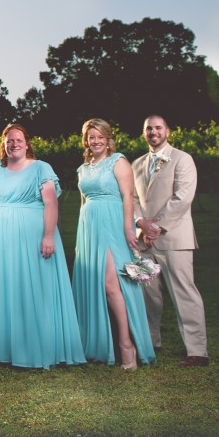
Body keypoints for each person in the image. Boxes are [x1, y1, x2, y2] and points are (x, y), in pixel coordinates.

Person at [0, 124, 85, 369]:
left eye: (18, 140)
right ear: (4, 145)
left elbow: (51, 203)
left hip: (33, 236)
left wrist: (48, 236)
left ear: (27, 144)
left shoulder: (40, 168)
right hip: (2, 238)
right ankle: (7, 349)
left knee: (36, 288)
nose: (14, 144)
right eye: (9, 140)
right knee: (6, 287)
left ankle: (39, 349)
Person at [72, 119, 155, 368]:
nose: (95, 141)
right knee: (94, 285)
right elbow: (83, 202)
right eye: (91, 137)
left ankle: (126, 345)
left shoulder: (118, 162)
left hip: (111, 225)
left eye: (100, 137)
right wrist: (80, 241)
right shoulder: (83, 169)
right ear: (86, 140)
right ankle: (96, 344)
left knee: (112, 285)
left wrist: (129, 228)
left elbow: (128, 197)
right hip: (89, 228)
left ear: (108, 139)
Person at [132, 115, 209, 367]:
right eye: (149, 129)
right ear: (144, 133)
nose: (153, 132)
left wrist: (156, 226)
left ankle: (197, 352)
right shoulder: (136, 164)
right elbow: (131, 199)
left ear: (167, 131)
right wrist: (141, 223)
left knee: (184, 293)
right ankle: (150, 342)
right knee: (146, 293)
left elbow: (183, 197)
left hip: (174, 238)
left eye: (158, 128)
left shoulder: (182, 159)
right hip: (144, 241)